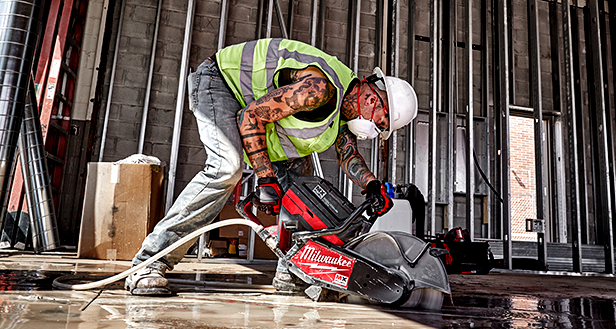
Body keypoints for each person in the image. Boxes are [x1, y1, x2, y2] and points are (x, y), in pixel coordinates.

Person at [125, 38, 418, 295]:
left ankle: (291, 271)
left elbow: (348, 154)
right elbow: (249, 117)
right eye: (379, 121)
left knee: (301, 190)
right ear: (370, 97)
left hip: (260, 115)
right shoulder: (319, 89)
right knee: (226, 168)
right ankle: (150, 262)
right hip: (222, 85)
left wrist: (371, 185)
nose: (374, 130)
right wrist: (265, 178)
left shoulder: (344, 110)